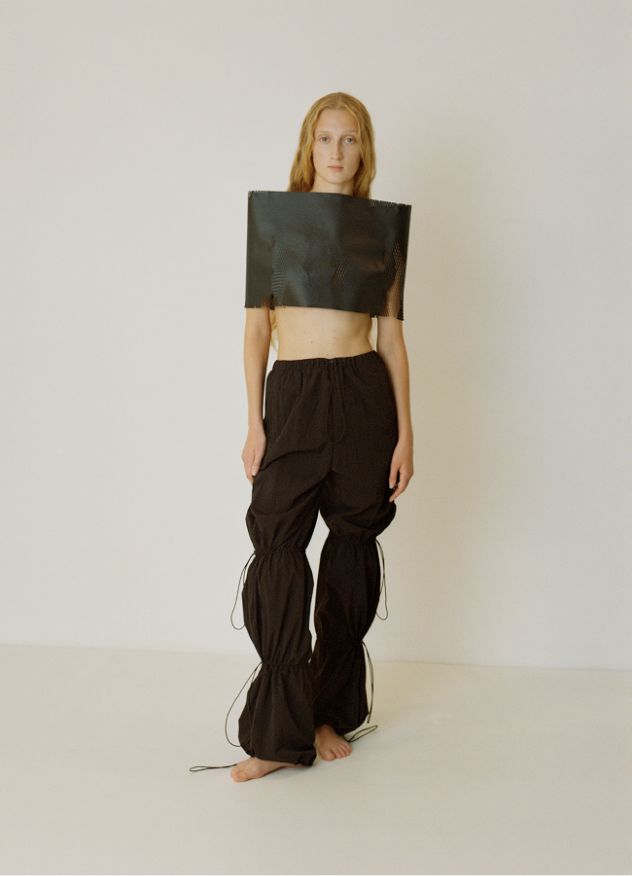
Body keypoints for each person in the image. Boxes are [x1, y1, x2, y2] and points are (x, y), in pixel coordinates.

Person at [189, 91, 414, 782]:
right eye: (325, 138)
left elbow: (392, 337)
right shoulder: (276, 224)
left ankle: (324, 715)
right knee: (279, 546)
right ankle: (275, 736)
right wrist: (254, 420)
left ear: (364, 149)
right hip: (294, 396)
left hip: (363, 396)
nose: (336, 152)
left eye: (349, 139)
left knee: (350, 549)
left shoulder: (382, 229)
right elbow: (257, 329)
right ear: (307, 146)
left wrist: (407, 433)